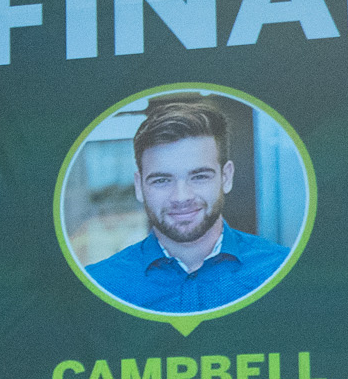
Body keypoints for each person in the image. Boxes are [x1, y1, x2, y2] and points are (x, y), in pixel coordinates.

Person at [83, 97, 291, 315]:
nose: (181, 197)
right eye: (162, 180)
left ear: (226, 177)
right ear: (139, 186)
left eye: (199, 176)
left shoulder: (281, 271)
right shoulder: (98, 285)